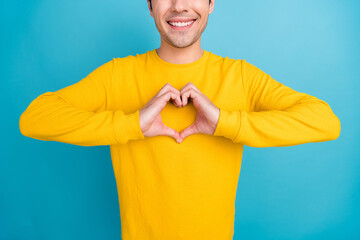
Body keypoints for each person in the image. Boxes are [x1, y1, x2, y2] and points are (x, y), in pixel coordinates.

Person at [19, 0, 341, 239]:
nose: (180, 6)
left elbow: (325, 121)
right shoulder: (118, 76)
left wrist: (224, 122)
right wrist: (132, 124)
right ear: (149, 5)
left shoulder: (239, 78)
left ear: (212, 3)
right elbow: (33, 118)